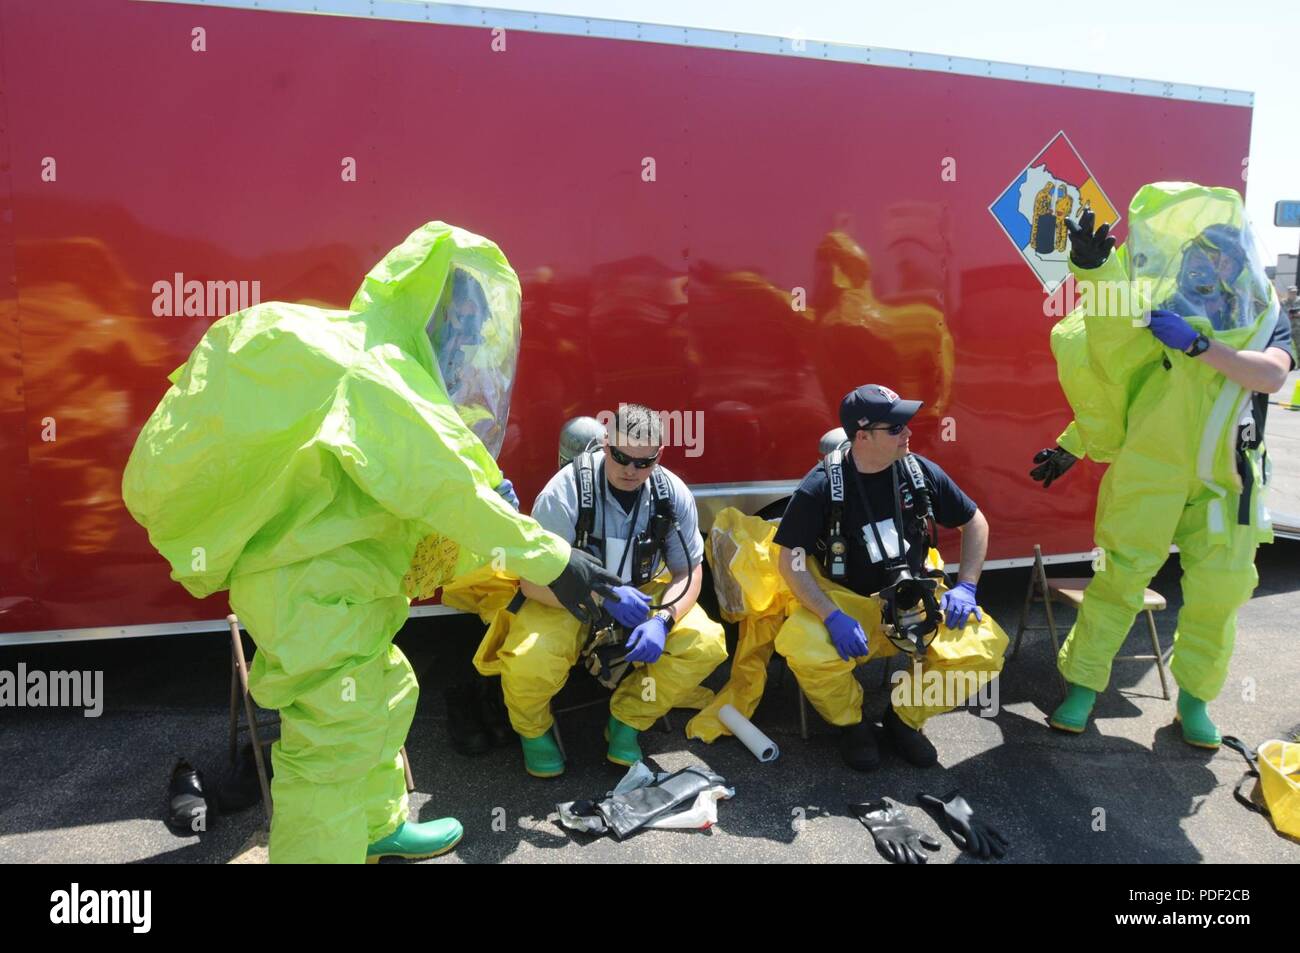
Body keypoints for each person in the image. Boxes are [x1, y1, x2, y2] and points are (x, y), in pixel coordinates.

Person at [123, 222, 619, 863]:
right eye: (462, 322)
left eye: (475, 326)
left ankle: (376, 826)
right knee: (332, 746)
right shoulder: (378, 373)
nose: (468, 342)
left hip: (334, 588)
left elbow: (393, 492)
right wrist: (555, 558)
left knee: (386, 694)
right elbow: (446, 491)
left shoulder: (372, 359)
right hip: (312, 593)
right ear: (429, 310)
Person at [1032, 183, 1297, 747]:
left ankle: (1195, 702)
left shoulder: (1265, 319)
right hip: (1151, 468)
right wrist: (1096, 270)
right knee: (1118, 578)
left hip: (1228, 482)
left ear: (1241, 263)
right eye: (1203, 254)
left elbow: (1272, 375)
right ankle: (1083, 687)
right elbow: (1114, 362)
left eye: (1224, 256)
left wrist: (1200, 348)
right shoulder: (1165, 305)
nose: (1212, 266)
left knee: (1220, 594)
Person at [772, 385, 1008, 770]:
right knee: (806, 649)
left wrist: (966, 586)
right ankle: (852, 726)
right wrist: (831, 615)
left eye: (906, 424)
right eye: (896, 428)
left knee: (982, 650)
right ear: (862, 436)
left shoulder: (919, 471)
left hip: (914, 597)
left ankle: (903, 721)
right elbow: (790, 561)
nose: (908, 433)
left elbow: (974, 522)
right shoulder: (821, 487)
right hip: (848, 602)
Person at [489, 403, 727, 777]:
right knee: (530, 659)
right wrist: (604, 598)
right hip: (568, 598)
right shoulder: (564, 493)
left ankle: (627, 720)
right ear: (605, 445)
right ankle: (533, 731)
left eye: (644, 462)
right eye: (621, 457)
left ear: (659, 455)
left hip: (642, 595)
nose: (631, 470)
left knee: (705, 644)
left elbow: (688, 572)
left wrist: (664, 621)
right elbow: (532, 582)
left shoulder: (671, 494)